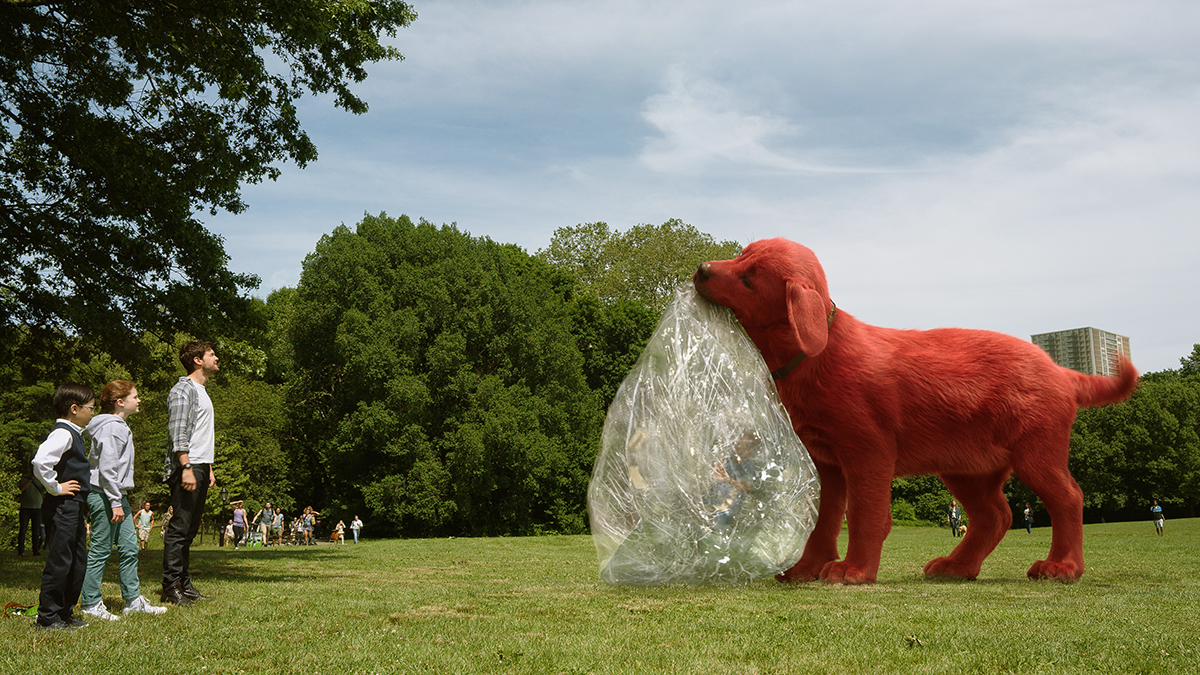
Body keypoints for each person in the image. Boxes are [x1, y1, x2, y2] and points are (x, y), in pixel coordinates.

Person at [80, 381, 168, 620]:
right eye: (135, 397)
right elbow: (108, 469)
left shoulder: (117, 426)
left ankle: (132, 600)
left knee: (130, 548)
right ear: (120, 402)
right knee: (100, 549)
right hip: (105, 495)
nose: (139, 401)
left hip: (118, 496)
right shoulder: (111, 428)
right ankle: (90, 603)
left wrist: (119, 500)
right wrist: (115, 502)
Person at [31, 383, 94, 630]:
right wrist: (56, 488)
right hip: (62, 506)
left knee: (78, 561)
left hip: (74, 506)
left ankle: (64, 613)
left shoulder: (74, 433)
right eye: (90, 408)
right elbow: (40, 462)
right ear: (74, 408)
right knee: (60, 560)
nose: (92, 412)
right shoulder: (63, 434)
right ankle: (47, 616)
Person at [161, 341, 219, 606]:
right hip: (188, 466)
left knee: (190, 528)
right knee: (180, 528)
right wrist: (186, 467)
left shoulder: (202, 390)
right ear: (197, 360)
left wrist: (208, 468)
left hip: (199, 465)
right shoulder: (183, 389)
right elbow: (178, 431)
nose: (216, 358)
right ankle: (170, 587)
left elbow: (201, 433)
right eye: (211, 354)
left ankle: (184, 584)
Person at [17, 459, 44, 557]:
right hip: (25, 507)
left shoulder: (40, 480)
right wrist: (31, 479)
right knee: (23, 530)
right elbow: (22, 488)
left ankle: (36, 551)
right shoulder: (24, 478)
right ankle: (21, 551)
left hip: (37, 508)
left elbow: (45, 489)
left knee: (36, 531)